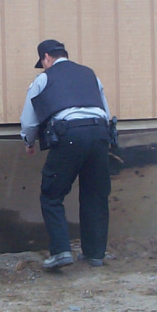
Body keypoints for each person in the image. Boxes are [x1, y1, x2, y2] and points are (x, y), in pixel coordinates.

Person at [20, 39, 112, 270]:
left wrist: (28, 142)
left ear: (46, 58)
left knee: (52, 195)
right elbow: (106, 113)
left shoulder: (44, 78)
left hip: (69, 135)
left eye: (42, 62)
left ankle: (61, 251)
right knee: (95, 195)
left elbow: (29, 120)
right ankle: (95, 254)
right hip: (100, 134)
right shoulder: (91, 75)